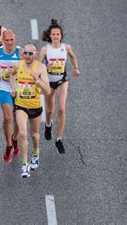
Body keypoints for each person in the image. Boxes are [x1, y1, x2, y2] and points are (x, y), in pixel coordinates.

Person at [39, 19, 80, 154]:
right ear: (49, 35)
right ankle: (48, 124)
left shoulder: (66, 47)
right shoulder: (45, 49)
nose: (56, 36)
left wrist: (76, 68)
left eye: (58, 34)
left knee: (62, 109)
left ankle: (59, 139)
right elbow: (36, 66)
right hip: (49, 82)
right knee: (50, 110)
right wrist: (46, 66)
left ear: (61, 35)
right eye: (53, 34)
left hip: (62, 80)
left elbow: (73, 56)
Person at [9, 44, 50, 178]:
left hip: (35, 106)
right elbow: (11, 73)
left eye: (30, 54)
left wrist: (37, 80)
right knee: (22, 133)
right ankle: (25, 164)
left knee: (34, 134)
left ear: (35, 54)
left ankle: (36, 153)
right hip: (21, 105)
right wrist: (13, 87)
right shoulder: (18, 65)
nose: (27, 56)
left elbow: (48, 91)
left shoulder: (40, 67)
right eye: (25, 53)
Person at [0, 30, 21, 162]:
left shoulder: (21, 53)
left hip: (19, 89)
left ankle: (15, 139)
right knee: (8, 117)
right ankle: (9, 145)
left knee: (18, 119)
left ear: (15, 39)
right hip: (4, 87)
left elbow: (29, 65)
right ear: (3, 40)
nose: (9, 43)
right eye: (7, 40)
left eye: (12, 40)